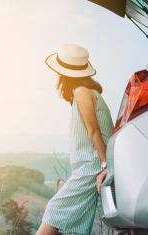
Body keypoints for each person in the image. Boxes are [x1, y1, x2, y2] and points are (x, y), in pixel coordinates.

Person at [37, 44, 113, 235]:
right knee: (78, 225)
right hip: (90, 166)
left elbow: (94, 131)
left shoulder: (82, 93)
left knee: (54, 210)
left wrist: (105, 166)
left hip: (92, 166)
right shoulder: (88, 92)